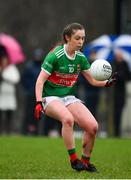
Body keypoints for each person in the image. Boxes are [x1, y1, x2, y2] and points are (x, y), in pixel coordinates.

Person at [34, 23, 116, 172]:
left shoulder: (80, 58)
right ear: (67, 38)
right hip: (50, 98)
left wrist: (106, 83)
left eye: (83, 38)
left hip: (68, 97)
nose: (80, 42)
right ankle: (74, 160)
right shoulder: (55, 56)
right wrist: (39, 102)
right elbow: (40, 81)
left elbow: (92, 80)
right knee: (68, 119)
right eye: (77, 38)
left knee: (92, 127)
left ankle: (85, 162)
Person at [0, 45, 20, 134]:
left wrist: (4, 76)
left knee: (9, 113)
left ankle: (8, 131)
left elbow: (16, 79)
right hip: (1, 94)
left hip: (10, 94)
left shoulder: (12, 68)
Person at [112, 50, 130, 137]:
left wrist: (120, 75)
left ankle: (118, 132)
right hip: (113, 93)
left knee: (120, 111)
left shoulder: (125, 63)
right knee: (115, 112)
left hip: (122, 92)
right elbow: (114, 77)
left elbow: (127, 76)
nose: (119, 57)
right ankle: (115, 132)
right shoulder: (113, 64)